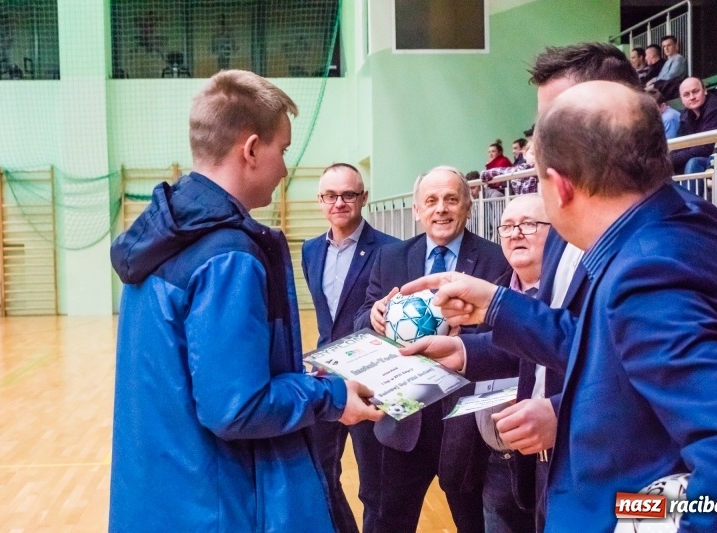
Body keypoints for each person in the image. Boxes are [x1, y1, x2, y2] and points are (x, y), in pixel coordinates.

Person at [402, 80, 717, 532]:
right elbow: (605, 350)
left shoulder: (647, 271)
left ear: (559, 187)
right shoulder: (677, 222)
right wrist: (498, 305)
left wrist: (633, 518)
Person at [108, 70, 382, 532]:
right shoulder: (227, 256)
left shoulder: (162, 236)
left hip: (161, 499)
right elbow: (236, 406)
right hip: (219, 505)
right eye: (284, 151)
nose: (285, 169)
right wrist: (332, 395)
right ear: (252, 149)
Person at [354, 166, 509, 533]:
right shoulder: (390, 258)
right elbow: (361, 317)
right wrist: (374, 317)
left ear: (468, 207)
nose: (441, 208)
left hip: (464, 420)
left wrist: (461, 334)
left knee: (470, 521)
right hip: (405, 417)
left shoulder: (495, 259)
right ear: (417, 210)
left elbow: (506, 332)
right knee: (390, 520)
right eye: (431, 200)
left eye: (451, 199)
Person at [301, 163, 399, 533]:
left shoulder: (389, 250)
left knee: (374, 487)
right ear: (321, 201)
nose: (339, 202)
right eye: (331, 195)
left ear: (363, 198)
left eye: (348, 194)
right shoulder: (310, 251)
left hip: (370, 382)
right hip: (325, 378)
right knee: (322, 474)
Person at [476, 194, 549, 533]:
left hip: (549, 459)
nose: (515, 233)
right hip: (495, 461)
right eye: (506, 226)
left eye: (528, 224)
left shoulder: (569, 296)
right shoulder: (487, 295)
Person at [670, 77, 717, 184]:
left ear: (705, 90)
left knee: (693, 163)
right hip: (700, 155)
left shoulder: (715, 107)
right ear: (681, 98)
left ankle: (691, 201)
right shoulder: (685, 115)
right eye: (686, 94)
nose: (692, 97)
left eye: (695, 92)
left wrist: (671, 160)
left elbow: (707, 147)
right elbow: (681, 144)